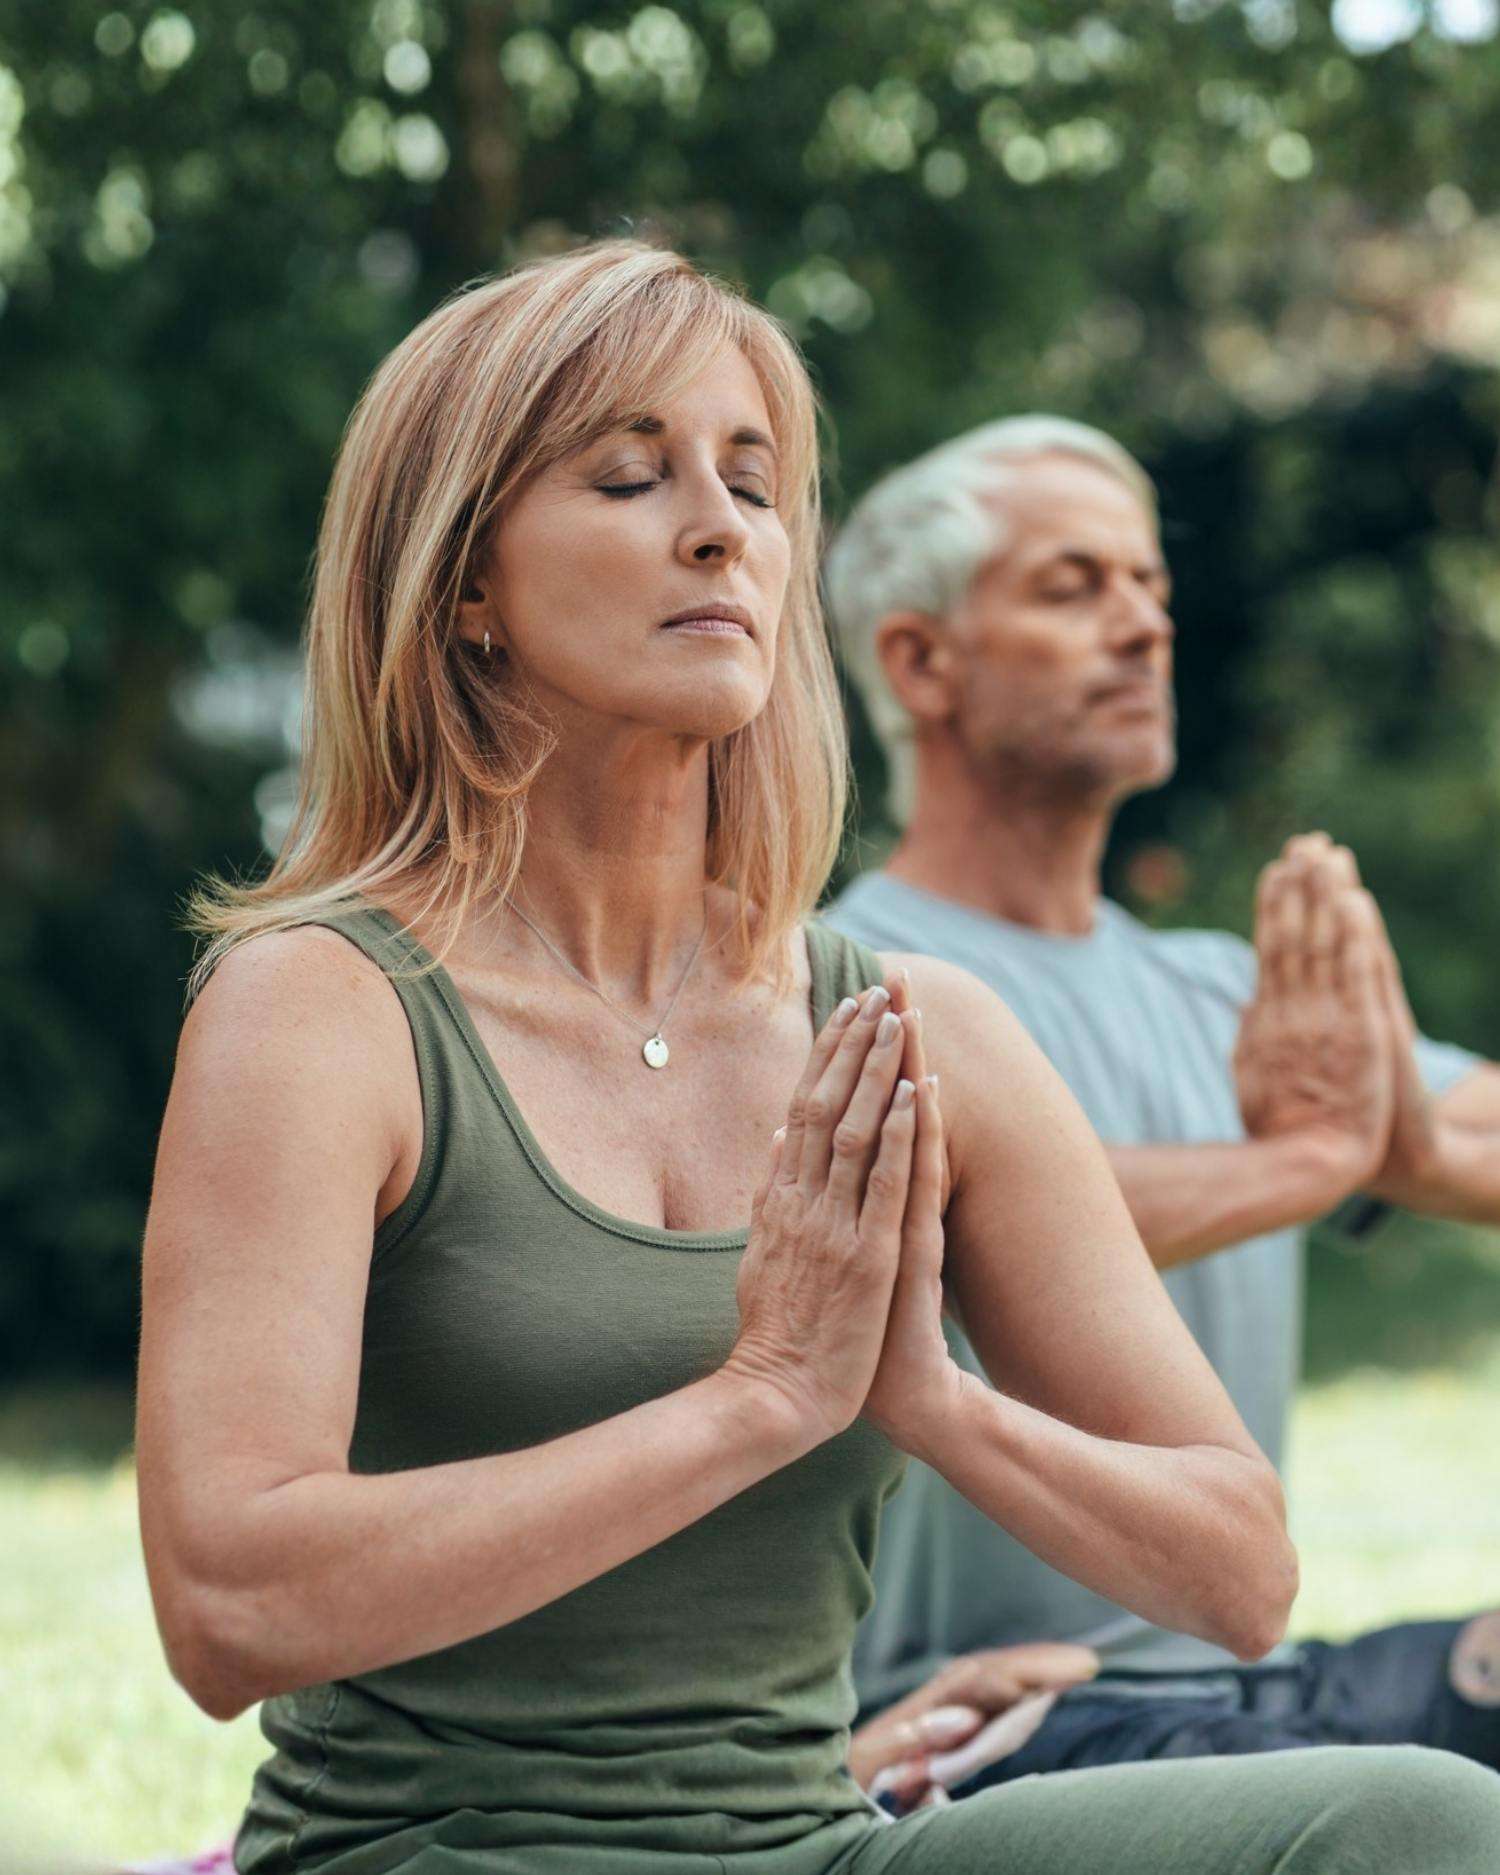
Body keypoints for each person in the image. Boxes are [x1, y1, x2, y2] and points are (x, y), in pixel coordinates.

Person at [135, 245, 1500, 1875]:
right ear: (463, 583)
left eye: (755, 483)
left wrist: (922, 1394)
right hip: (440, 1853)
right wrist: (761, 1398)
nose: (719, 523)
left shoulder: (907, 1030)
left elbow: (1236, 1570)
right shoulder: (323, 1005)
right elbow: (230, 1605)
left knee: (1419, 1820)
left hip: (813, 1845)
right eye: (631, 475)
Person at [821, 413, 1500, 1807]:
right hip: (992, 1723)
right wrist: (1309, 1161)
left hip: (1247, 1686)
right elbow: (973, 1207)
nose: (1141, 627)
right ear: (919, 662)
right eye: (1074, 588)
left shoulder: (1223, 990)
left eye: (1151, 589)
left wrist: (1407, 1149)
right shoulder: (837, 981)